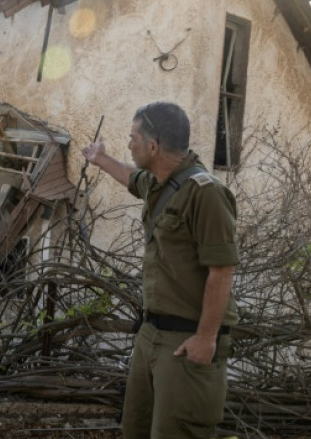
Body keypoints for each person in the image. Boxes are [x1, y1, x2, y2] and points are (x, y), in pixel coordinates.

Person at [81, 101, 238, 438]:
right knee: (135, 429)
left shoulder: (206, 194)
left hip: (186, 341)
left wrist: (206, 339)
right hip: (152, 334)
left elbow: (222, 271)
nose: (129, 144)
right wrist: (102, 159)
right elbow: (131, 178)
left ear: (152, 147)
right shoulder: (159, 183)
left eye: (133, 138)